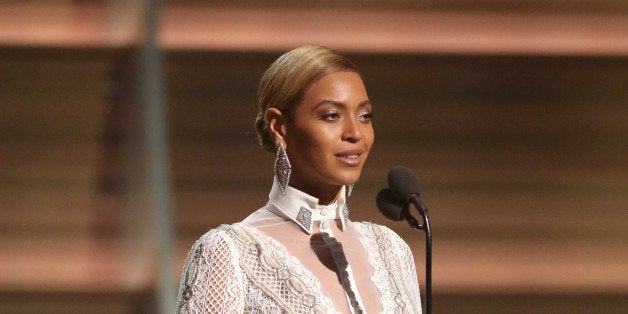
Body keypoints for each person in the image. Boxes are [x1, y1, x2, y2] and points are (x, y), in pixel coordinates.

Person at [176, 45, 422, 313]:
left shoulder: (391, 250)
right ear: (279, 127)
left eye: (365, 116)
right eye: (331, 115)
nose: (355, 133)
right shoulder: (229, 253)